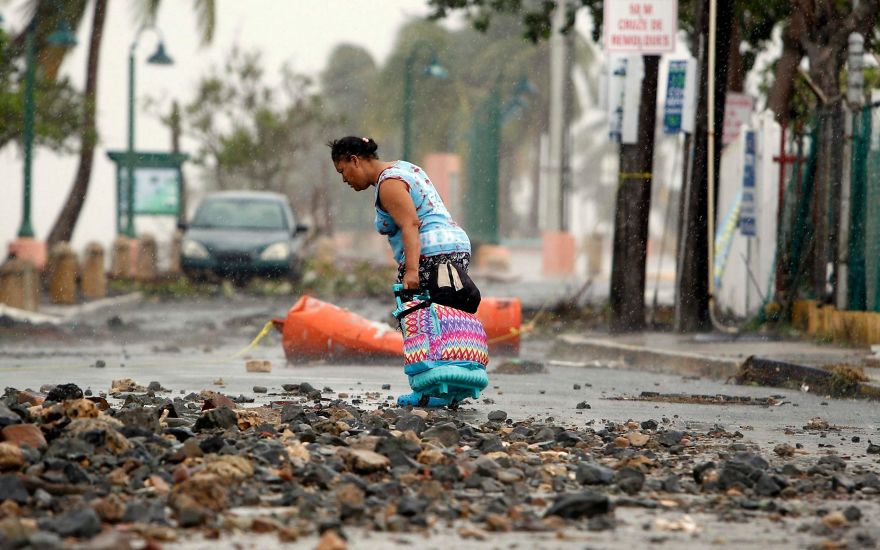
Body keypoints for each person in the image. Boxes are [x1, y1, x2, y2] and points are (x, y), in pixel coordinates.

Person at [329, 136, 480, 313]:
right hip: (456, 245)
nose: (344, 179)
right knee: (448, 319)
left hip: (429, 254)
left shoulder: (388, 184)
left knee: (421, 325)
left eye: (342, 171)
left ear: (354, 160)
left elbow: (410, 224)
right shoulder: (404, 167)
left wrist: (411, 271)